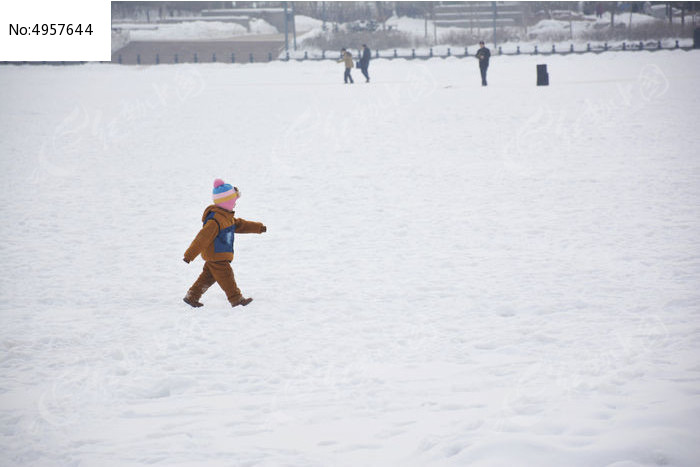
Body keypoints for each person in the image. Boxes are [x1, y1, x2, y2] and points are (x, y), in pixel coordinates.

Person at [183, 179, 266, 308]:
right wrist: (189, 255)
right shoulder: (215, 220)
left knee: (208, 277)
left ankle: (192, 296)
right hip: (217, 255)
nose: (235, 204)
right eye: (233, 201)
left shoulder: (226, 217)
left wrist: (258, 227)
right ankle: (236, 299)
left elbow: (240, 225)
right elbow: (202, 238)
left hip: (218, 254)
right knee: (227, 276)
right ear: (226, 202)